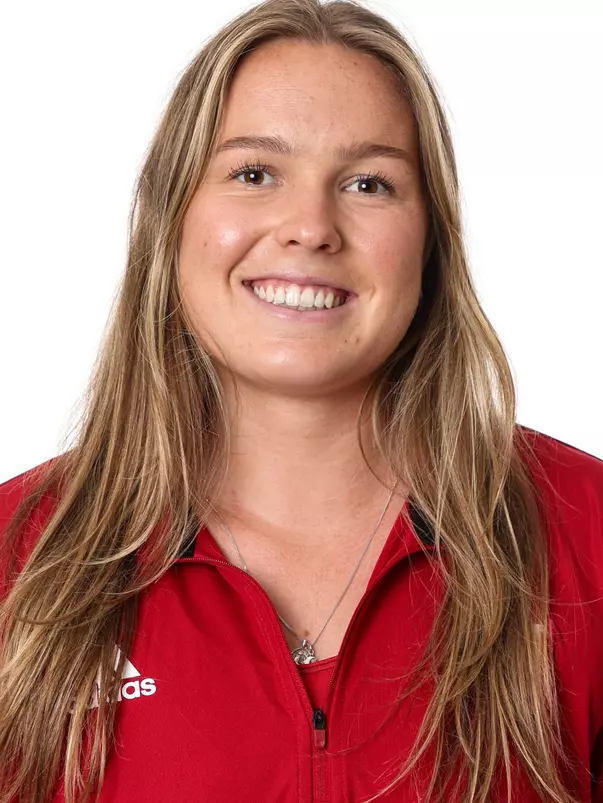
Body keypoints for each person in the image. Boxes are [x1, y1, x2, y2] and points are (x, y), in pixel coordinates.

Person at [1, 0, 602, 801]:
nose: (310, 226)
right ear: (171, 216)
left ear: (431, 238)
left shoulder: (585, 531)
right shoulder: (18, 560)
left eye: (368, 182)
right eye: (254, 173)